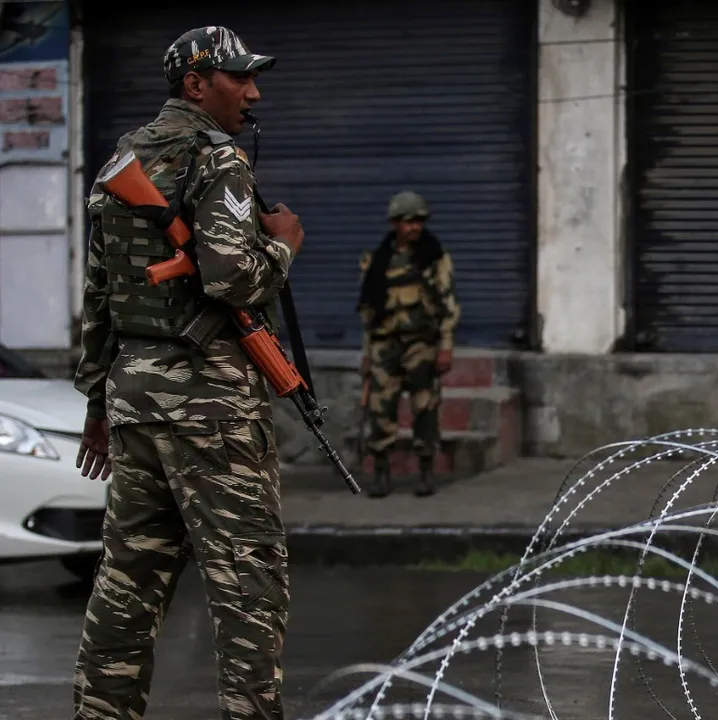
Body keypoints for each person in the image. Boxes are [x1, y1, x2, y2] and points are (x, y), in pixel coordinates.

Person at [70, 26, 303, 720]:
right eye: (239, 78)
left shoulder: (125, 157)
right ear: (197, 85)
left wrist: (98, 402)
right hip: (211, 404)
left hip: (137, 397)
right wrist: (284, 247)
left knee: (127, 581)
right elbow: (232, 278)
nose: (253, 91)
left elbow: (100, 293)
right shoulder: (217, 158)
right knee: (248, 583)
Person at [355, 190, 461, 498]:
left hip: (421, 345)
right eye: (407, 221)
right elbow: (368, 311)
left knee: (425, 409)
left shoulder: (434, 257)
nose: (414, 227)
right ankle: (381, 473)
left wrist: (446, 346)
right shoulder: (376, 261)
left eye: (418, 221)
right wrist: (366, 354)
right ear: (394, 223)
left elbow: (448, 304)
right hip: (384, 345)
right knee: (380, 410)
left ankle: (426, 471)